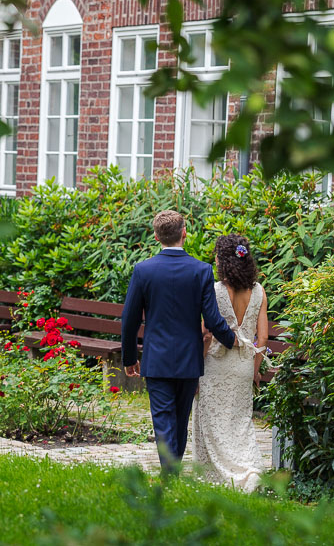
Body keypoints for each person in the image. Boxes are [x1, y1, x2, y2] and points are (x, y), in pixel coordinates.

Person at [121, 210, 236, 472]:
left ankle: (169, 475)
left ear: (155, 236)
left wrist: (129, 358)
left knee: (163, 420)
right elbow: (213, 318)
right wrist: (233, 341)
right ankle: (170, 475)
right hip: (189, 358)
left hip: (157, 358)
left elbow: (129, 320)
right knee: (180, 420)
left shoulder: (143, 270)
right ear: (184, 233)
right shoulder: (201, 271)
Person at [190, 233, 268, 493]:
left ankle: (224, 476)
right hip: (244, 365)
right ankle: (251, 470)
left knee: (213, 423)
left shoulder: (214, 291)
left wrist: (197, 367)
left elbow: (205, 333)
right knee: (240, 422)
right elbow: (263, 338)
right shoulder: (258, 291)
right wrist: (255, 371)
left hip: (215, 365)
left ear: (222, 261)